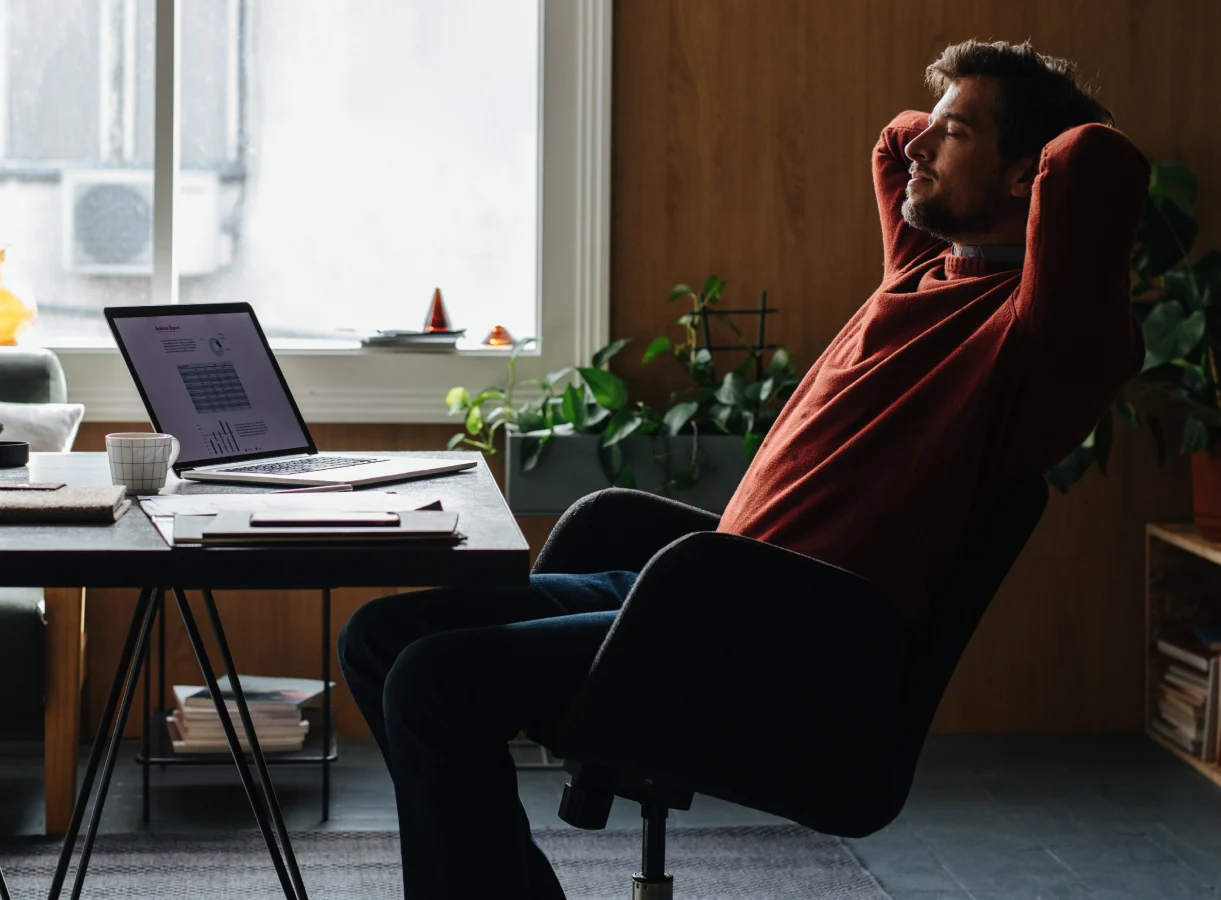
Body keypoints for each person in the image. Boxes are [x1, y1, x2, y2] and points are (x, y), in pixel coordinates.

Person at [338, 38, 1149, 899]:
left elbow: (1095, 159)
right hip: (690, 601)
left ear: (1029, 178)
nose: (919, 144)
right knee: (379, 640)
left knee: (432, 684)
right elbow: (895, 140)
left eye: (953, 133)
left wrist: (1031, 135)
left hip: (780, 645)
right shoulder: (921, 271)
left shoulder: (1043, 336)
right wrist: (958, 127)